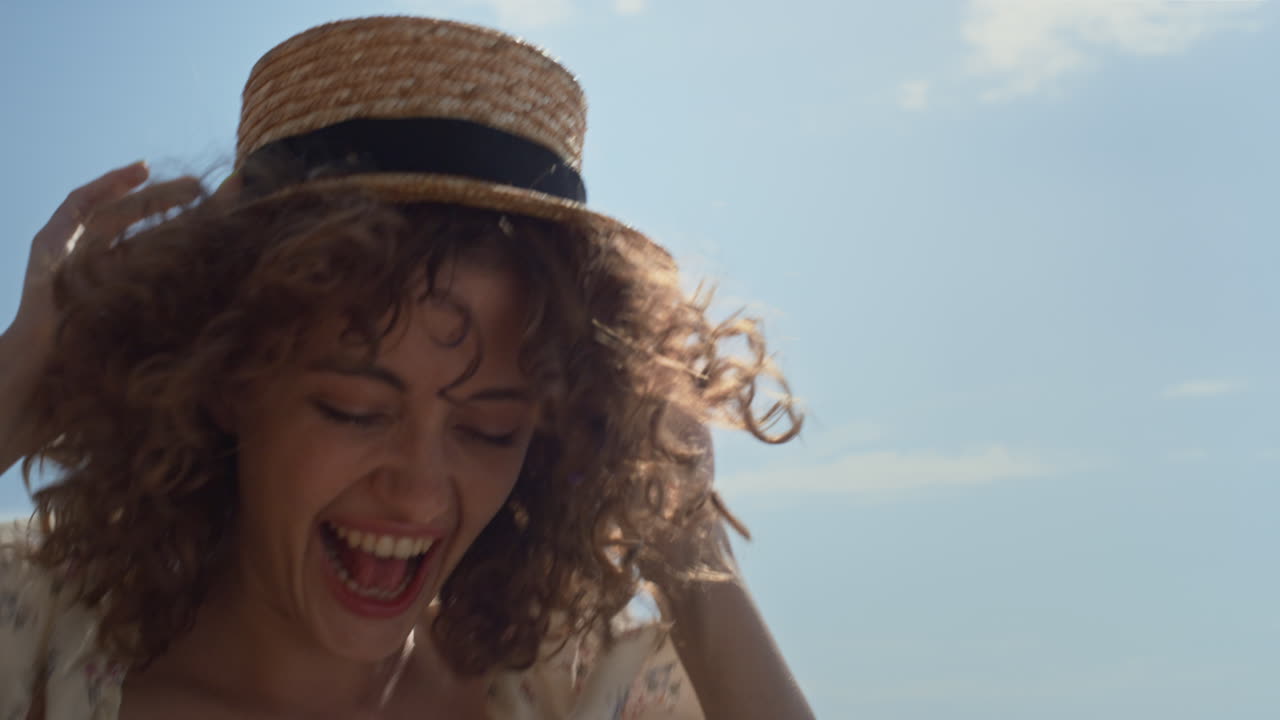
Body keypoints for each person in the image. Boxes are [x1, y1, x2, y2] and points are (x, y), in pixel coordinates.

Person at [0, 16, 813, 720]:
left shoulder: (579, 690)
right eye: (356, 410)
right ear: (223, 382)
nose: (420, 492)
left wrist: (692, 547)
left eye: (489, 429)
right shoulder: (33, 648)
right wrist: (16, 396)